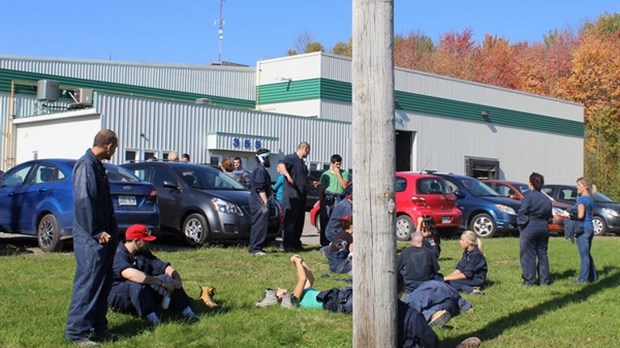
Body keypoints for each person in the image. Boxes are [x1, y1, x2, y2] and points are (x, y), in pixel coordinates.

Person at [65, 129, 120, 346]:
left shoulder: (97, 166)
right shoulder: (86, 166)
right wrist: (97, 232)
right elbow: (84, 202)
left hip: (104, 237)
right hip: (91, 238)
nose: (114, 151)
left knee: (102, 283)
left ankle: (98, 327)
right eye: (115, 147)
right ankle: (76, 332)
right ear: (109, 144)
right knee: (88, 283)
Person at [108, 224, 200, 325]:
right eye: (146, 240)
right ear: (136, 241)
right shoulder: (118, 254)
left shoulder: (143, 252)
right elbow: (131, 275)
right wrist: (161, 283)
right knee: (136, 285)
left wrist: (176, 278)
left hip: (141, 292)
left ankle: (188, 312)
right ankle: (152, 319)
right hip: (119, 295)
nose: (149, 243)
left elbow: (164, 267)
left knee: (167, 278)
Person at [517, 172, 553, 286]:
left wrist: (521, 225)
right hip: (543, 228)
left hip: (530, 227)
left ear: (530, 183)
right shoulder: (546, 199)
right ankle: (544, 280)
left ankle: (529, 280)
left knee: (528, 255)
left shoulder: (528, 197)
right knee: (542, 254)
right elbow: (549, 216)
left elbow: (522, 212)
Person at [255, 254, 323, 309]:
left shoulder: (298, 294)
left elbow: (310, 279)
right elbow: (303, 279)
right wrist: (297, 261)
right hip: (329, 300)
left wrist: (301, 261)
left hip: (329, 296)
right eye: (276, 290)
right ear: (278, 297)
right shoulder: (294, 298)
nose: (278, 288)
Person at [278, 142, 311, 251]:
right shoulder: (291, 158)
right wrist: (288, 176)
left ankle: (296, 243)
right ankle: (287, 245)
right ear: (305, 149)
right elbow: (280, 165)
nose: (308, 153)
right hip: (291, 196)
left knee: (299, 221)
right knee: (290, 221)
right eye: (308, 151)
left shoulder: (302, 162)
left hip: (301, 196)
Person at [318, 154, 351, 246]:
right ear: (332, 164)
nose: (338, 166)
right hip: (328, 197)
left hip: (340, 197)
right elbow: (321, 189)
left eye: (340, 164)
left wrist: (338, 174)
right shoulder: (325, 175)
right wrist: (321, 201)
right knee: (326, 220)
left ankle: (338, 241)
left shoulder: (344, 173)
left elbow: (344, 185)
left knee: (339, 221)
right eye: (337, 164)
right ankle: (324, 242)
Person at [248, 148, 273, 255]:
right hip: (259, 203)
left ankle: (257, 247)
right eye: (268, 158)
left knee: (261, 224)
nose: (269, 161)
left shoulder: (260, 169)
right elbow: (260, 188)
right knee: (259, 224)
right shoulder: (260, 170)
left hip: (258, 201)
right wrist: (265, 202)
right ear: (263, 158)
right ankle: (255, 248)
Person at [573, 177, 598, 283]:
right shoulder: (590, 199)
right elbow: (591, 214)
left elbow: (580, 215)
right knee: (587, 253)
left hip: (582, 229)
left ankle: (582, 279)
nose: (577, 187)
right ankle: (593, 277)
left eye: (579, 185)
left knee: (584, 256)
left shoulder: (582, 199)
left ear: (585, 186)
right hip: (590, 227)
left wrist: (570, 216)